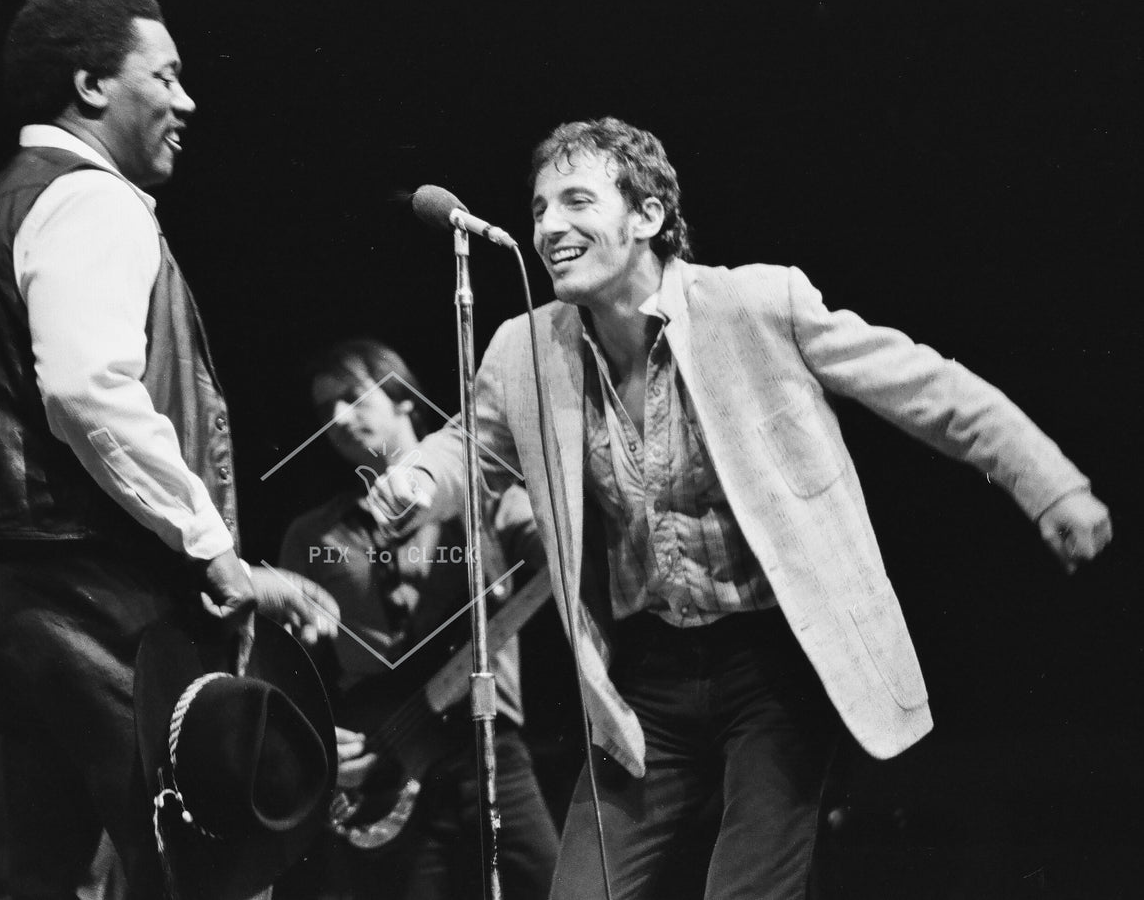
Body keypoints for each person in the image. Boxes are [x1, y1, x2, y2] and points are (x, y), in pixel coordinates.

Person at [366, 117, 1113, 900]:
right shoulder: (523, 349)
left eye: (576, 201)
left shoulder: (754, 303)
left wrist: (1046, 482)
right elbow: (470, 447)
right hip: (646, 679)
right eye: (539, 208)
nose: (549, 226)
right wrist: (415, 479)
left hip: (775, 665)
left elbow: (925, 388)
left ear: (647, 216)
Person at [0, 0, 331, 900]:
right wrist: (216, 554)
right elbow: (88, 391)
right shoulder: (90, 202)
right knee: (204, 865)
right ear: (92, 86)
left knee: (49, 875)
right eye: (167, 76)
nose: (187, 102)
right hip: (92, 594)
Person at [278, 340, 559, 900]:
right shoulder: (311, 535)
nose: (337, 418)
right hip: (381, 762)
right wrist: (316, 743)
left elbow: (560, 549)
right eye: (325, 408)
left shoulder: (485, 500)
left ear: (403, 397)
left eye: (353, 397)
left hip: (489, 747)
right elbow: (286, 669)